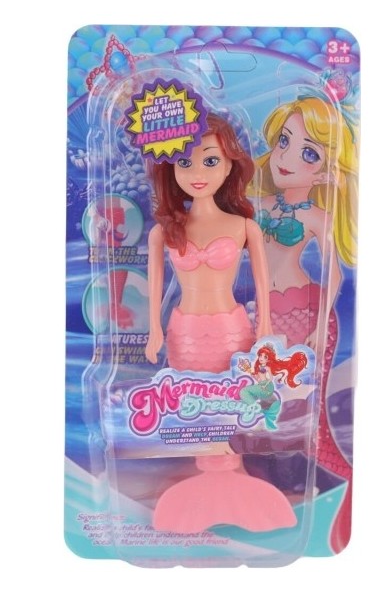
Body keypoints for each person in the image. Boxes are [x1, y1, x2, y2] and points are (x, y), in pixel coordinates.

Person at [146, 112, 296, 533]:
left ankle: (233, 480)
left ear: (231, 164)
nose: (197, 173)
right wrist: (154, 331)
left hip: (233, 333)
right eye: (185, 162)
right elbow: (155, 290)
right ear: (170, 168)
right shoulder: (165, 231)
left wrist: (265, 329)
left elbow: (264, 286)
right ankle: (207, 484)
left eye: (210, 160)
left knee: (235, 406)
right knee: (195, 408)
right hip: (184, 335)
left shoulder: (244, 227)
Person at [256, 94, 358, 552]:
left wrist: (318, 324)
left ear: (325, 171)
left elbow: (334, 273)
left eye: (308, 153)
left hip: (305, 313)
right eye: (284, 141)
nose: (287, 157)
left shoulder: (318, 216)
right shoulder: (259, 205)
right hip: (265, 314)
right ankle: (269, 487)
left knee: (307, 418)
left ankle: (348, 479)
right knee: (261, 406)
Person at [239, 345, 307, 430]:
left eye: (265, 357)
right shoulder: (259, 367)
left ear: (268, 359)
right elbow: (259, 379)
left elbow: (270, 378)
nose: (261, 358)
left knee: (244, 391)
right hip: (262, 386)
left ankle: (255, 407)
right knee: (248, 394)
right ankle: (258, 409)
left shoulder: (267, 367)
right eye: (260, 355)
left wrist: (265, 385)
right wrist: (253, 374)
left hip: (267, 386)